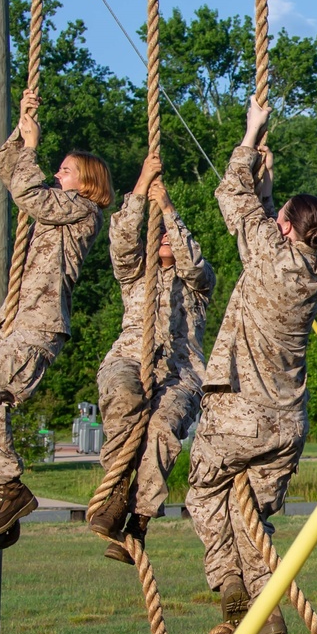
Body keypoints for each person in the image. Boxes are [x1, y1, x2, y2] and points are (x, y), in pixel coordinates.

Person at [185, 98, 317, 634]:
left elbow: (230, 196)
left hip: (239, 415)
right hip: (286, 425)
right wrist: (272, 196)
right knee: (253, 523)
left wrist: (250, 136)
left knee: (204, 494)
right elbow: (264, 222)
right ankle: (267, 613)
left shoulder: (269, 258)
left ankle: (229, 589)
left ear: (287, 228)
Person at [0, 88, 112, 549]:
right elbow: (13, 173)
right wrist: (20, 137)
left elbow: (27, 192)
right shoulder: (59, 208)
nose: (57, 173)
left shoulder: (82, 211)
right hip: (16, 322)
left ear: (85, 182)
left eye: (65, 169)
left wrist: (33, 148)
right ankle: (4, 496)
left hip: (38, 326)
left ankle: (12, 487)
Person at [88, 154, 215, 564]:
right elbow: (122, 241)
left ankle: (139, 521)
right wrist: (142, 188)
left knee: (161, 428)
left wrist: (168, 210)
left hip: (180, 374)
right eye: (158, 234)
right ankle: (115, 491)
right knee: (124, 401)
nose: (164, 238)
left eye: (171, 236)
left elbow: (194, 263)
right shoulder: (135, 273)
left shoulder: (197, 283)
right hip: (130, 358)